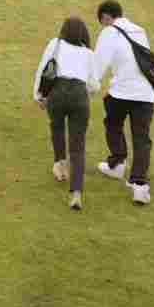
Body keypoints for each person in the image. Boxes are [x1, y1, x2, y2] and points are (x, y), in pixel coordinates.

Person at [33, 16, 100, 210]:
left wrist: (38, 96)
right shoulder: (88, 53)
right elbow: (94, 85)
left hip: (57, 92)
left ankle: (60, 164)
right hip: (79, 95)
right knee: (78, 146)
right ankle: (76, 193)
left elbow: (43, 69)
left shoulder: (55, 44)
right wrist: (85, 91)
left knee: (57, 127)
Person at [94, 0, 154, 205]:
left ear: (106, 17)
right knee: (141, 139)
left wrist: (90, 86)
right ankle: (139, 185)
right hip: (146, 95)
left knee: (112, 123)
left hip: (122, 92)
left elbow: (98, 65)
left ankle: (117, 163)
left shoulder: (109, 32)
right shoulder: (140, 31)